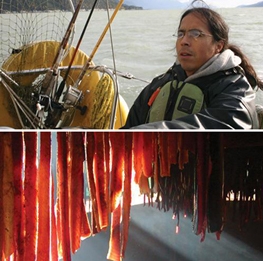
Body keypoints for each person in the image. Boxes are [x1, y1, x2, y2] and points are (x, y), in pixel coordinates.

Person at [122, 5, 263, 129]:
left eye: (196, 34)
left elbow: (226, 127)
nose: (184, 41)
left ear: (218, 46)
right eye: (180, 34)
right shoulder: (160, 83)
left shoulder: (236, 90)